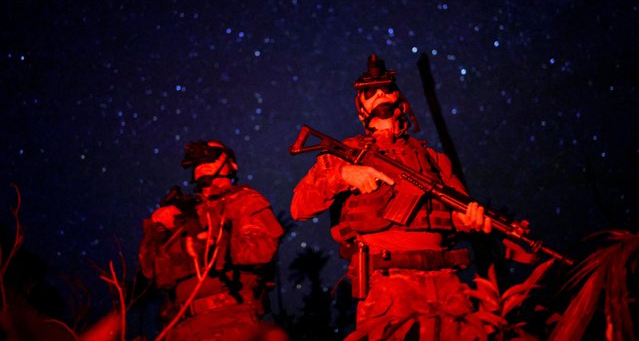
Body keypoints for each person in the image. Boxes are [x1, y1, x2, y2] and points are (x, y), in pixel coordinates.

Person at [291, 54, 492, 340]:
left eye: (387, 88)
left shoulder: (433, 160)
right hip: (389, 288)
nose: (380, 95)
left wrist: (470, 220)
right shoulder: (343, 153)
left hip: (446, 285)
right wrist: (343, 176)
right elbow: (299, 207)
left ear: (400, 98)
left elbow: (459, 213)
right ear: (361, 106)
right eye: (370, 92)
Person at [139, 139, 285, 341]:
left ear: (231, 164)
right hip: (180, 326)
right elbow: (151, 272)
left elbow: (262, 250)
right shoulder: (182, 212)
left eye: (211, 156)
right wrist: (155, 231)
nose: (202, 162)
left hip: (229, 318)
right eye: (197, 160)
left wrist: (213, 242)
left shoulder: (244, 201)